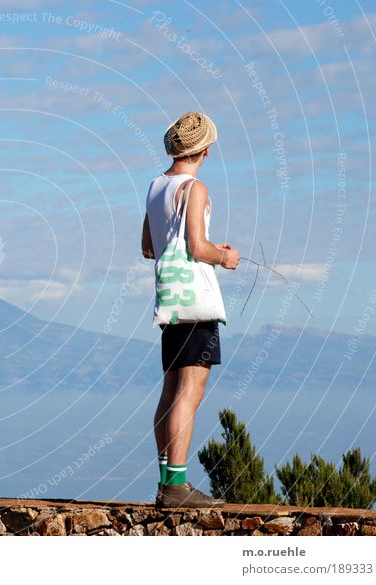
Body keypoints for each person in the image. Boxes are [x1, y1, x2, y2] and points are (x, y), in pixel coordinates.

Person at [141, 112, 240, 508]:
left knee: (170, 391)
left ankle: (167, 482)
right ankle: (178, 487)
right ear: (206, 149)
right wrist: (224, 256)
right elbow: (198, 247)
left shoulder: (155, 186)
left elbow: (149, 246)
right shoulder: (194, 187)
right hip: (196, 300)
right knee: (190, 391)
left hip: (170, 301)